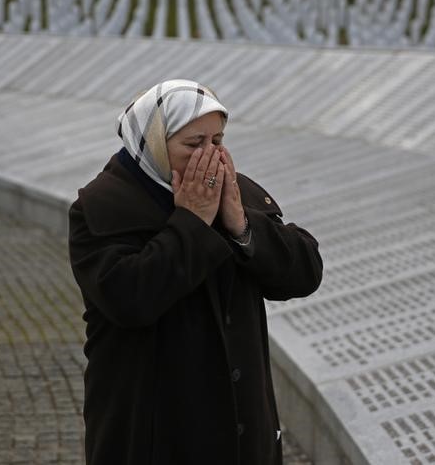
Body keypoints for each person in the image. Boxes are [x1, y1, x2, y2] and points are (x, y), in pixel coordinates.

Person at [68, 79, 323, 465]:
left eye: (217, 141)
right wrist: (192, 222)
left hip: (242, 431)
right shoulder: (100, 207)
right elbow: (129, 299)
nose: (210, 156)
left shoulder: (233, 192)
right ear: (154, 142)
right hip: (154, 433)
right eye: (193, 144)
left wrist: (242, 226)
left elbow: (305, 273)